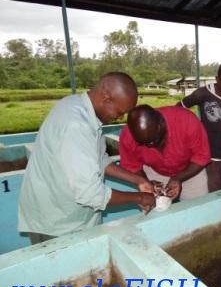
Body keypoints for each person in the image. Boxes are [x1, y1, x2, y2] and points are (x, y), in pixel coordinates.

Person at [18, 72, 156, 245]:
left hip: (65, 214)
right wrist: (140, 198)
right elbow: (90, 194)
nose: (119, 118)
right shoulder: (77, 125)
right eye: (120, 112)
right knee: (68, 271)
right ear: (106, 99)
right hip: (56, 224)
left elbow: (99, 160)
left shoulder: (77, 106)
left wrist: (138, 180)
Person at [178, 61, 221, 192]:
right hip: (210, 157)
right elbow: (179, 109)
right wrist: (192, 129)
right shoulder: (203, 94)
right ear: (217, 79)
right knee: (213, 195)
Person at [119, 104, 211, 201]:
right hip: (154, 171)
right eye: (142, 143)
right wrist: (146, 182)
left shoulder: (186, 120)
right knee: (155, 207)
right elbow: (132, 165)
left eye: (153, 140)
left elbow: (201, 156)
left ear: (162, 124)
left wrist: (178, 178)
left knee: (196, 208)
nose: (149, 145)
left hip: (190, 170)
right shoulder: (127, 136)